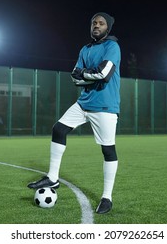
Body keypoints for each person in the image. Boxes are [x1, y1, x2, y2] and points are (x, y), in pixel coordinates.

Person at [27, 12, 121, 214]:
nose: (96, 25)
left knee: (108, 150)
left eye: (101, 23)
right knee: (58, 129)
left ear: (108, 28)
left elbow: (104, 75)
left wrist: (86, 74)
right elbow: (74, 78)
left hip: (105, 106)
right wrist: (89, 74)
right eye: (94, 23)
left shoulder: (112, 47)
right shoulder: (85, 49)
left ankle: (107, 197)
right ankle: (53, 178)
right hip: (83, 103)